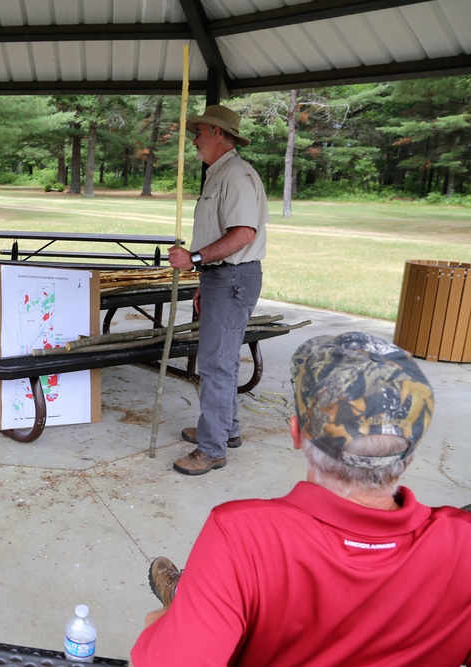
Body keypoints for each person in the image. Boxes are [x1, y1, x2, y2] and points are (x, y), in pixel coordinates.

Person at [132, 331, 471, 667]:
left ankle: (185, 596)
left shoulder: (243, 537)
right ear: (410, 452)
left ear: (296, 433)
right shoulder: (462, 542)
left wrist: (163, 629)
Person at [167, 104, 268, 476]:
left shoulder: (236, 175)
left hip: (234, 277)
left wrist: (194, 257)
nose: (194, 138)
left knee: (216, 365)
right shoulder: (219, 173)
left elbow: (243, 234)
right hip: (222, 278)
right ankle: (228, 430)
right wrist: (205, 278)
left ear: (219, 135)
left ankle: (212, 449)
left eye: (200, 131)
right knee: (219, 359)